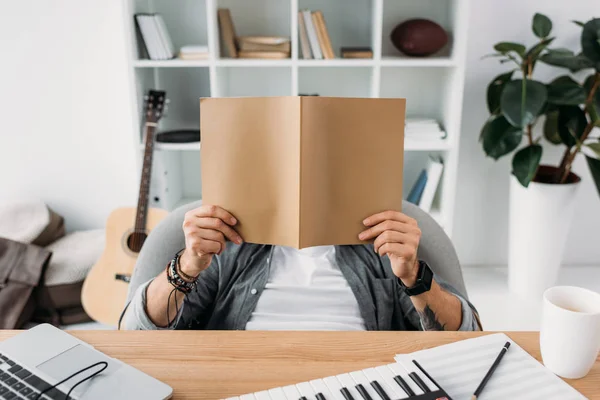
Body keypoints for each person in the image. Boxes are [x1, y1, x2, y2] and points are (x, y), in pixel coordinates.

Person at [123, 204, 480, 331]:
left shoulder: (380, 247)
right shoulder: (229, 245)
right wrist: (188, 265)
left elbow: (466, 335)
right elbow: (136, 334)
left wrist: (412, 275)